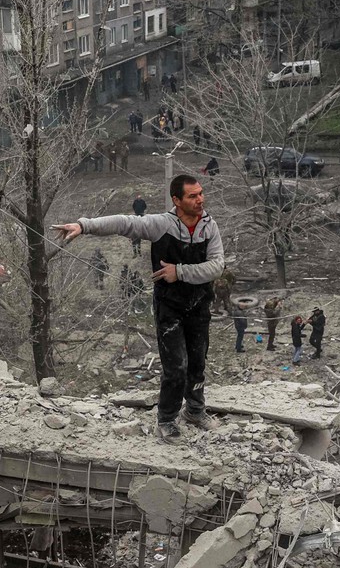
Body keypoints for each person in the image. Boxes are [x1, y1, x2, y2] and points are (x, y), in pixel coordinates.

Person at [55, 174, 225, 440]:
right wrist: (84, 225)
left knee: (197, 362)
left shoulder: (209, 227)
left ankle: (194, 409)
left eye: (201, 193)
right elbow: (125, 223)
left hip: (200, 304)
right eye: (193, 196)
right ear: (177, 200)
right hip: (170, 307)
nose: (200, 200)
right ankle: (167, 419)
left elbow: (216, 267)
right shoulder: (161, 225)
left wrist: (179, 271)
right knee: (176, 366)